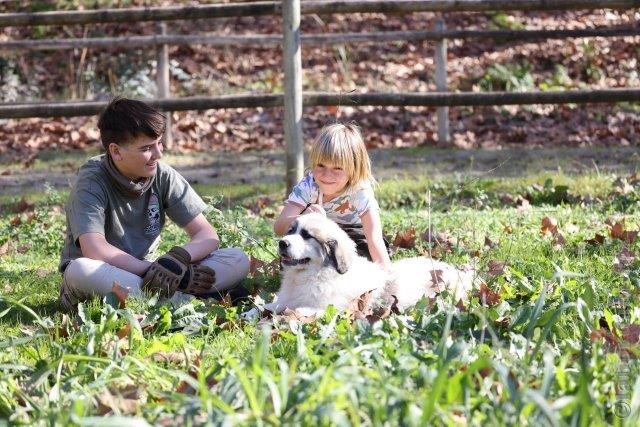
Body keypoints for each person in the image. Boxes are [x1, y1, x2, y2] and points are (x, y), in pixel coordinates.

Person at [58, 97, 250, 311]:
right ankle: (195, 302)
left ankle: (167, 299)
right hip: (108, 272)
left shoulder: (163, 175)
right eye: (147, 148)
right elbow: (95, 249)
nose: (158, 154)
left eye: (159, 143)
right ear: (116, 151)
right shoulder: (92, 182)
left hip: (154, 278)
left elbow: (207, 235)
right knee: (81, 270)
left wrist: (178, 260)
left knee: (237, 258)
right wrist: (150, 270)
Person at [273, 122, 391, 270]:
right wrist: (304, 218)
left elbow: (374, 238)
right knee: (291, 254)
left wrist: (388, 279)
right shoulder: (309, 185)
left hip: (353, 236)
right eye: (321, 165)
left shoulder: (360, 190)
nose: (327, 175)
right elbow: (279, 227)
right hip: (317, 238)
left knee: (361, 259)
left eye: (337, 168)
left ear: (354, 169)